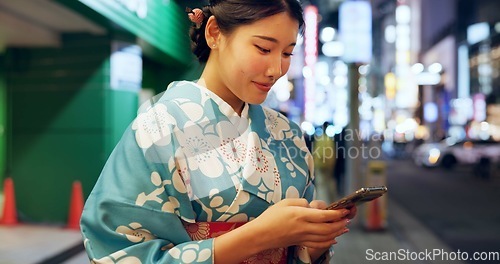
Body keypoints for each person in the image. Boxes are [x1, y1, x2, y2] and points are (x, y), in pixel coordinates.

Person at [80, 1, 356, 263]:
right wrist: (261, 236)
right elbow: (118, 252)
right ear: (214, 33)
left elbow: (295, 250)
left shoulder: (287, 133)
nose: (276, 70)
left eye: (286, 53)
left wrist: (312, 243)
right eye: (262, 49)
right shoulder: (159, 125)